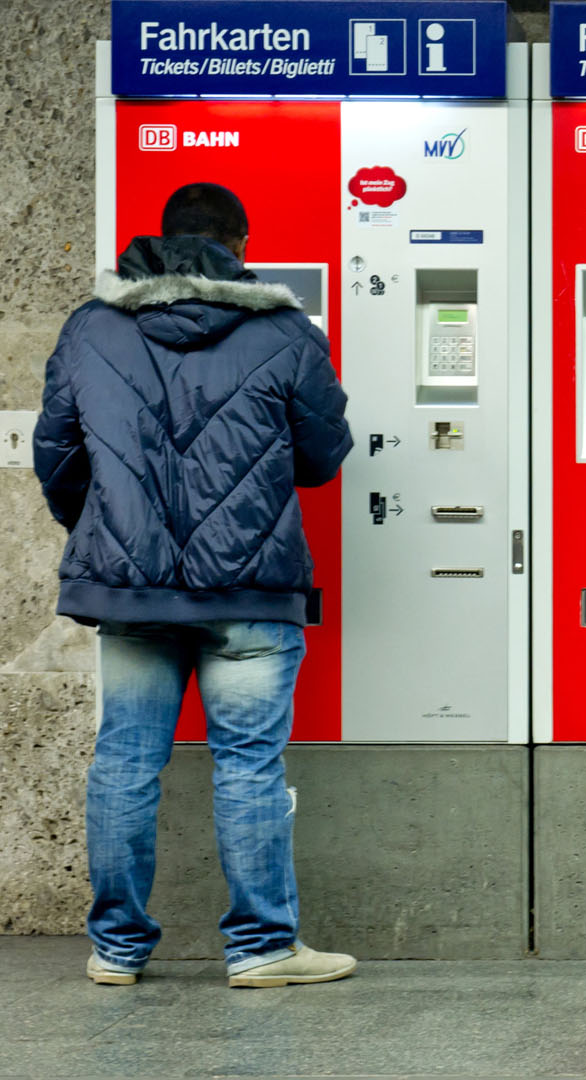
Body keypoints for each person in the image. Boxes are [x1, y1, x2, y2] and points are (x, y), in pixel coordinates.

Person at [34, 182, 357, 989]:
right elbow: (322, 457)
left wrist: (113, 528)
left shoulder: (92, 328)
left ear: (158, 240)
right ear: (239, 245)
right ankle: (260, 949)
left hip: (131, 591)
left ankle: (116, 948)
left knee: (123, 763)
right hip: (250, 592)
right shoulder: (284, 331)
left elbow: (57, 456)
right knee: (248, 765)